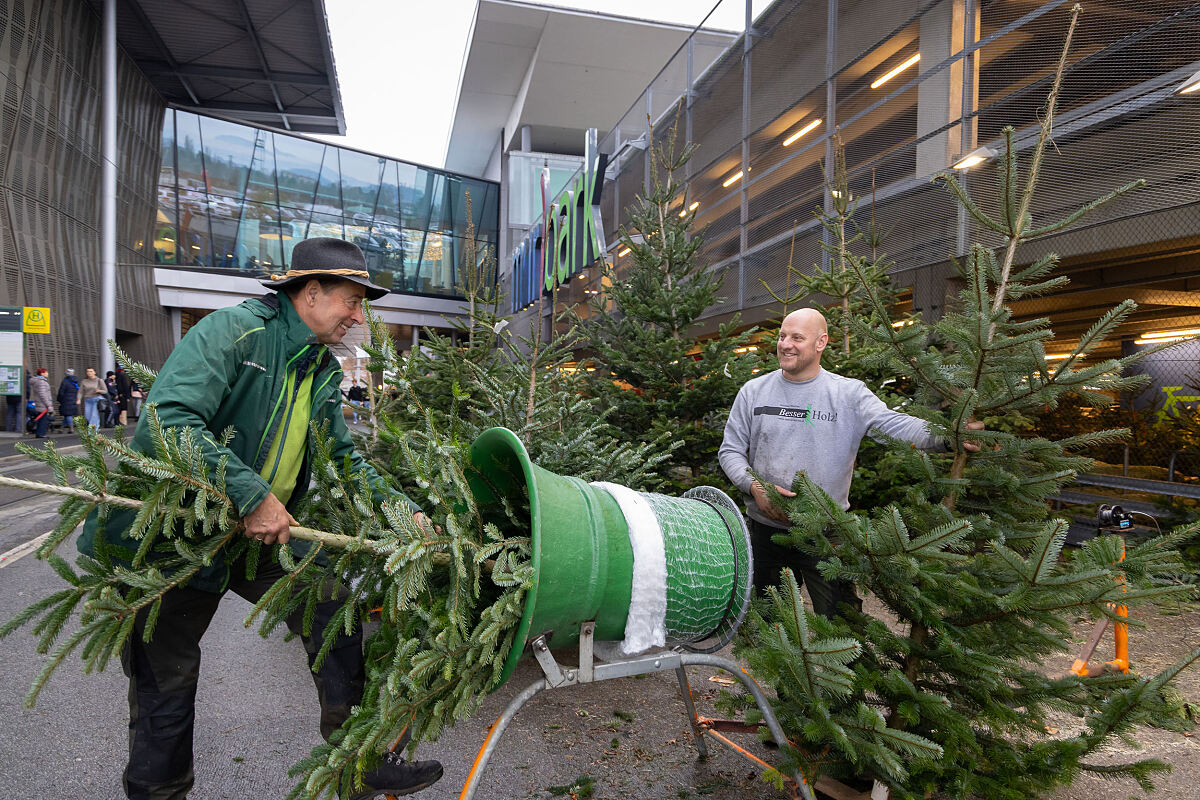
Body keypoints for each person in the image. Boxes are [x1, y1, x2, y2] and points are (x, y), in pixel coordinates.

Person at [77, 237, 443, 800]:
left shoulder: (318, 369)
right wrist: (251, 493)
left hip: (251, 538)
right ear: (311, 291)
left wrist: (405, 514)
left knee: (333, 608)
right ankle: (158, 794)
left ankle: (356, 762)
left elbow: (344, 461)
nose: (357, 316)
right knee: (166, 681)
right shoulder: (235, 333)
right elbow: (167, 421)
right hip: (173, 536)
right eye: (351, 300)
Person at [718, 307, 982, 618]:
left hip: (828, 533)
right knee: (771, 624)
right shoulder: (753, 391)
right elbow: (730, 451)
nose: (785, 344)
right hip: (766, 532)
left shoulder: (848, 394)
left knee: (842, 622)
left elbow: (893, 425)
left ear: (821, 343)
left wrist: (946, 435)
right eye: (782, 336)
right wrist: (755, 487)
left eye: (797, 338)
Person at [29, 367, 54, 438]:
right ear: (42, 373)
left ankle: (39, 433)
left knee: (41, 419)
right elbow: (43, 395)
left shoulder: (38, 381)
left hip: (40, 403)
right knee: (43, 419)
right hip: (43, 404)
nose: (47, 373)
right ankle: (41, 433)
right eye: (46, 372)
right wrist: (48, 405)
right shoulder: (41, 382)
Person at [57, 368, 80, 434]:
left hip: (66, 400)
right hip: (74, 399)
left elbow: (61, 392)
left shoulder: (65, 381)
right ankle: (61, 428)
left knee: (68, 414)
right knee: (67, 414)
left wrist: (59, 399)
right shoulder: (76, 381)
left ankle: (71, 428)